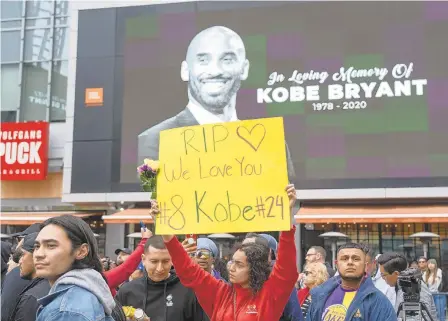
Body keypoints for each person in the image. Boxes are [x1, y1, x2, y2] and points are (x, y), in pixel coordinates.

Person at [137, 25, 295, 181]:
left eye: (227, 60)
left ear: (244, 69)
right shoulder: (154, 141)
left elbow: (287, 203)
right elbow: (147, 199)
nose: (215, 71)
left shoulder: (271, 145)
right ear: (185, 70)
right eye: (203, 60)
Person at [155, 184, 298, 321]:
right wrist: (166, 232)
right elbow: (189, 271)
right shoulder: (220, 292)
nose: (231, 267)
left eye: (239, 264)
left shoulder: (269, 294)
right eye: (232, 261)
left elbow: (286, 269)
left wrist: (287, 217)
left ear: (255, 269)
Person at [34, 215, 116, 321]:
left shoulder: (68, 311)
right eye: (36, 246)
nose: (38, 254)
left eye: (51, 245)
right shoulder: (84, 293)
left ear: (81, 251)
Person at [116, 235, 206, 321]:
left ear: (172, 260)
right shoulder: (127, 291)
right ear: (143, 260)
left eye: (165, 261)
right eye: (154, 261)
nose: (160, 268)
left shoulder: (187, 290)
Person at [306, 243, 397, 321]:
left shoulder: (378, 302)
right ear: (337, 264)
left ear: (365, 265)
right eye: (344, 258)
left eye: (356, 259)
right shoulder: (320, 295)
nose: (350, 262)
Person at [377, 252, 438, 321]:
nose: (382, 278)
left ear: (396, 274)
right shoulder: (401, 286)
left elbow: (422, 317)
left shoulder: (413, 288)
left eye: (383, 275)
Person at [8, 232, 51, 321]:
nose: (20, 261)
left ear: (36, 257)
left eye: (23, 255)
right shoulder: (52, 285)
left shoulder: (32, 298)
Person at [105, 228, 152, 296]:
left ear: (131, 256)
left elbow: (127, 268)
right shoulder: (112, 267)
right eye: (119, 254)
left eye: (123, 254)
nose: (119, 256)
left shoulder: (138, 265)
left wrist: (144, 241)